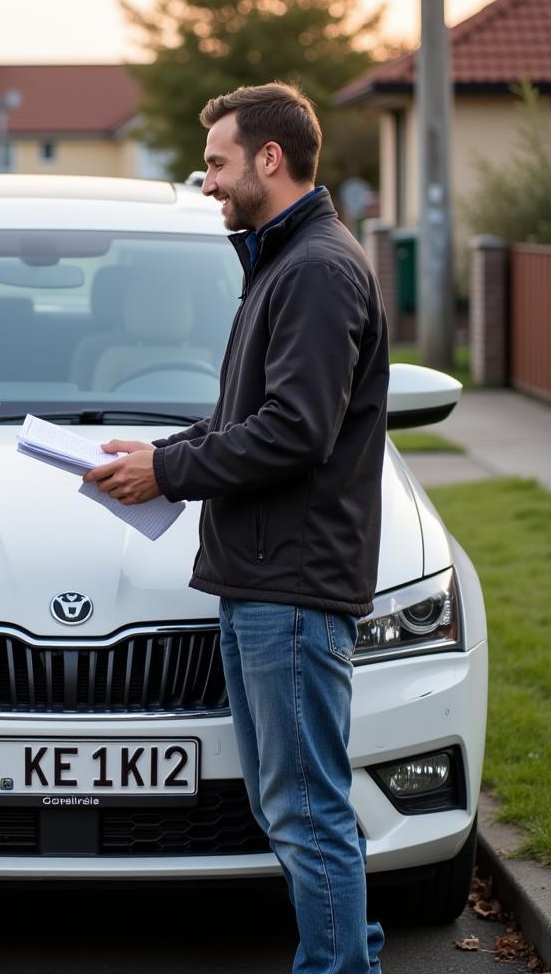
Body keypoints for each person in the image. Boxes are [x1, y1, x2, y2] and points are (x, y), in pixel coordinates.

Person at [84, 83, 388, 974]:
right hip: (263, 579)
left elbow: (296, 430)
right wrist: (158, 455)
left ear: (269, 159)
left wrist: (168, 472)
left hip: (289, 585)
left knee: (304, 807)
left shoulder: (317, 270)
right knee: (288, 802)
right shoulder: (279, 262)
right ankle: (350, 956)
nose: (207, 181)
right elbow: (240, 416)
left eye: (217, 163)